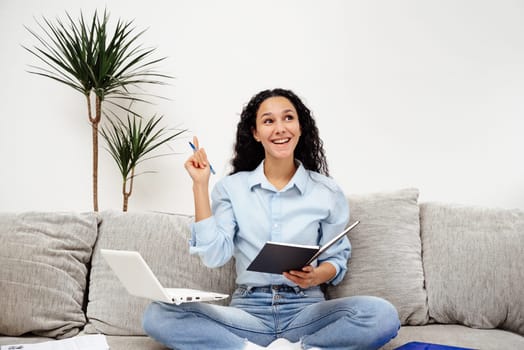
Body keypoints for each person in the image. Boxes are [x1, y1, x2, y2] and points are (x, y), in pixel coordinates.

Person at [143, 88, 400, 350]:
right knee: (158, 314)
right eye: (268, 121)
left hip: (306, 310)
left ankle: (297, 347)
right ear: (256, 133)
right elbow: (213, 256)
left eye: (288, 118)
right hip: (248, 313)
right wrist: (200, 185)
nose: (280, 128)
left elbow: (335, 259)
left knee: (382, 315)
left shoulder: (327, 191)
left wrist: (315, 276)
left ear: (300, 127)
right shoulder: (231, 188)